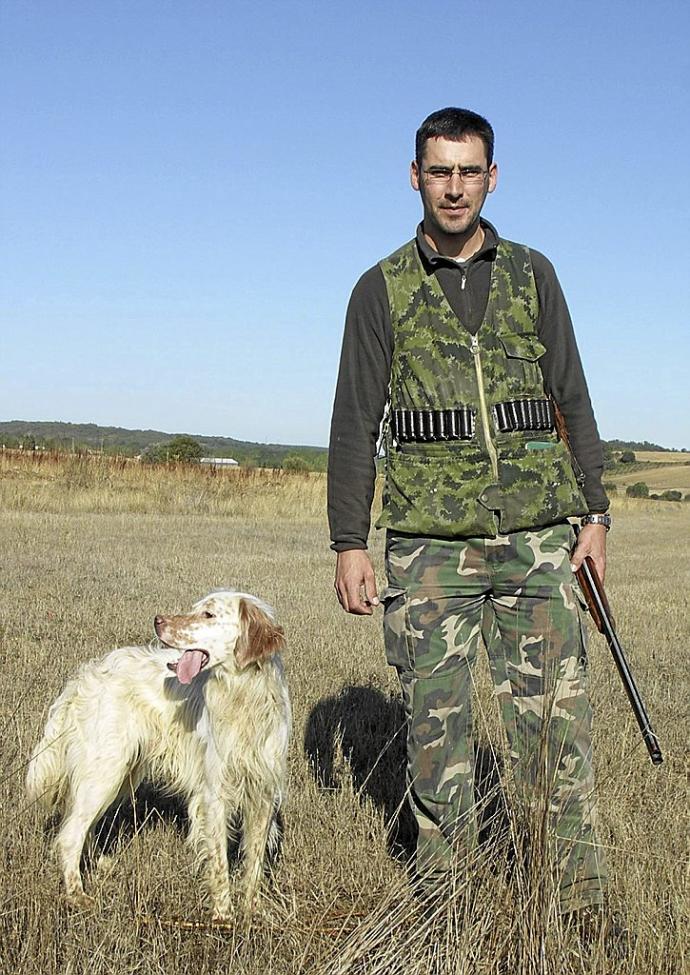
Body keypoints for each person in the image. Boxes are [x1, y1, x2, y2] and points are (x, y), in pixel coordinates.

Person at [327, 108, 612, 922]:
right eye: (440, 170)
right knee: (436, 738)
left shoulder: (534, 275)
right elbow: (354, 423)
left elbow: (573, 400)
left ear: (494, 176)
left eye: (469, 170)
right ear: (414, 175)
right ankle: (445, 909)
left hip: (537, 542)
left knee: (558, 732)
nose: (455, 186)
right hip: (429, 552)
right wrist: (351, 540)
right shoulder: (379, 290)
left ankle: (581, 906)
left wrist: (595, 516)